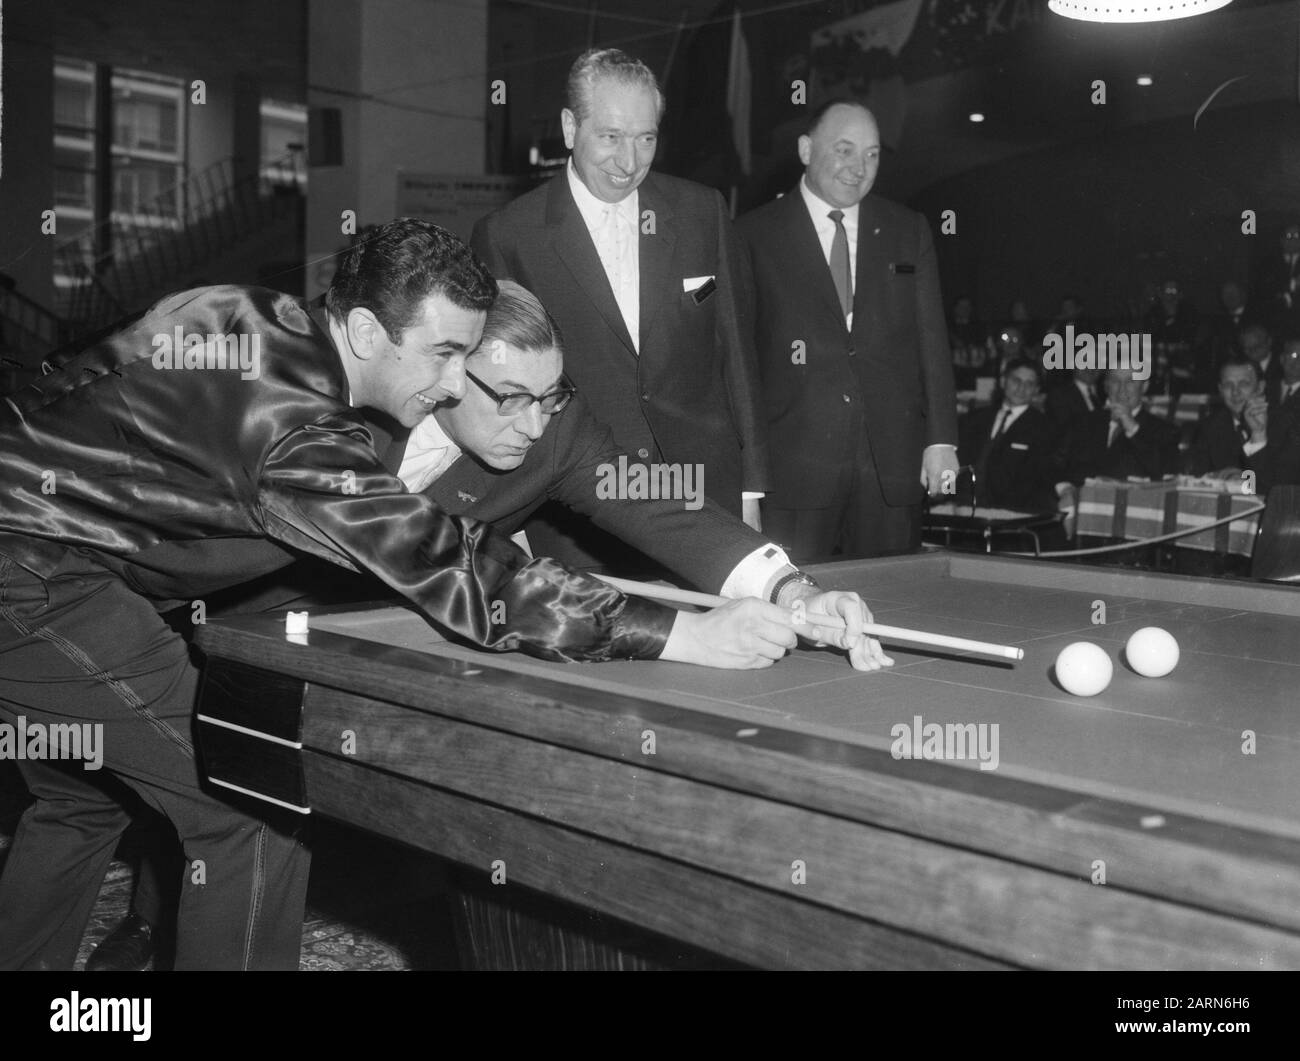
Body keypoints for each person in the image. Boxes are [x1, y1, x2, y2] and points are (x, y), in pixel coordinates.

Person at [0, 220, 883, 972]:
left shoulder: (245, 314)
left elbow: (75, 391)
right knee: (250, 796)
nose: (457, 382)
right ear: (362, 332)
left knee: (82, 791)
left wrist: (781, 581)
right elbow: (460, 571)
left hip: (64, 551)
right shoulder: (295, 433)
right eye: (449, 354)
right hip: (34, 575)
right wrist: (681, 636)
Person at [471, 47, 767, 575]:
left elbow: (738, 356)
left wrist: (751, 489)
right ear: (569, 127)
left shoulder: (704, 213)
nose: (628, 162)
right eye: (610, 136)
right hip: (575, 506)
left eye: (645, 138)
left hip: (703, 492)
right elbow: (498, 390)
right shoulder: (509, 234)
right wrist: (507, 513)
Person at [735, 98, 958, 562]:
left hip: (892, 466)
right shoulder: (750, 235)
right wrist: (747, 478)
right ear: (804, 149)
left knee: (893, 606)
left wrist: (941, 441)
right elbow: (739, 363)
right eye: (844, 150)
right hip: (794, 465)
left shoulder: (907, 229)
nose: (859, 167)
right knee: (792, 608)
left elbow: (931, 342)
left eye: (872, 154)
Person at [1184, 358, 1300, 495]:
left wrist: (1258, 436)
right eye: (1228, 385)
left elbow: (1281, 490)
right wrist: (1224, 477)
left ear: (1260, 387)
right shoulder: (1211, 426)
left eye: (1244, 384)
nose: (1235, 392)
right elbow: (1196, 477)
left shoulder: (1287, 424)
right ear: (1220, 390)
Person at [957, 358, 1060, 513]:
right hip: (963, 506)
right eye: (1016, 380)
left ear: (1037, 390)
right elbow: (958, 460)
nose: (1021, 388)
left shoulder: (1044, 428)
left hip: (1010, 512)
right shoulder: (974, 419)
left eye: (1029, 384)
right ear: (1003, 381)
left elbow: (1037, 479)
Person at [1058, 367, 1181, 494]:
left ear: (1144, 387)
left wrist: (1133, 429)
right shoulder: (1082, 422)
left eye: (1131, 382)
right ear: (1106, 386)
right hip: (1079, 504)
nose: (1122, 389)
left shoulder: (1165, 430)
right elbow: (1056, 464)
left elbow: (1165, 474)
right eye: (1115, 381)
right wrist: (1063, 486)